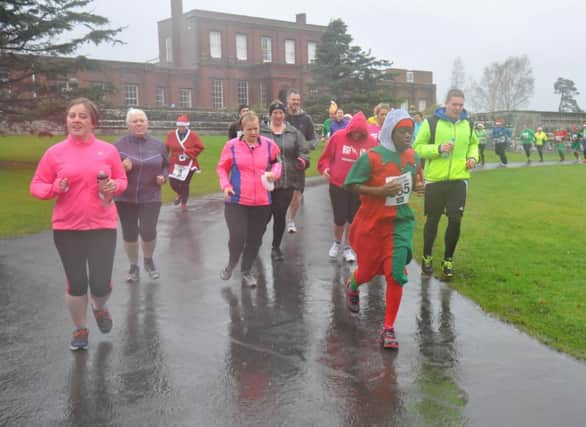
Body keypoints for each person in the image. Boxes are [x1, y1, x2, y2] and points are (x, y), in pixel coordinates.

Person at [30, 98, 128, 350]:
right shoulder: (54, 153)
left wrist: (113, 186)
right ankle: (80, 329)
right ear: (67, 120)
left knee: (99, 283)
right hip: (67, 227)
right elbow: (37, 185)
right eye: (72, 115)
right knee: (76, 284)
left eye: (82, 116)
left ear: (93, 122)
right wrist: (54, 188)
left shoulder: (108, 150)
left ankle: (99, 306)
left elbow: (121, 179)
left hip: (102, 224)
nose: (76, 120)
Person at [344, 108, 424, 349]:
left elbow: (416, 180)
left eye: (410, 132)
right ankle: (353, 284)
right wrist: (378, 192)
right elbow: (351, 185)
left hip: (400, 222)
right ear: (390, 131)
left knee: (396, 274)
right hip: (373, 223)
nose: (408, 136)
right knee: (367, 272)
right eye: (403, 132)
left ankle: (388, 328)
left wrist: (420, 187)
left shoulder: (413, 156)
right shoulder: (372, 158)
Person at [413, 88, 478, 278]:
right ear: (446, 104)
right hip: (435, 180)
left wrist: (473, 158)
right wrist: (438, 148)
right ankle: (427, 256)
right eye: (454, 104)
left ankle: (448, 259)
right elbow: (417, 148)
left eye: (461, 105)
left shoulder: (468, 124)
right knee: (432, 220)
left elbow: (473, 144)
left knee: (455, 220)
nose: (458, 108)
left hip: (459, 179)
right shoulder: (431, 123)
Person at [217, 111, 282, 287]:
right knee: (237, 236)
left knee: (255, 239)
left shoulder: (269, 145)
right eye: (249, 129)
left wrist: (274, 174)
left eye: (256, 129)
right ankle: (232, 263)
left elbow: (277, 162)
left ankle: (246, 270)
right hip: (236, 200)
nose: (253, 133)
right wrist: (226, 186)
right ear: (242, 129)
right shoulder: (231, 146)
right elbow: (222, 168)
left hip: (261, 202)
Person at [115, 108, 169, 283]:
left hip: (151, 196)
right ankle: (133, 266)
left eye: (142, 121)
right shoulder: (119, 145)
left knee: (148, 231)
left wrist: (164, 177)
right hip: (125, 197)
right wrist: (121, 168)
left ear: (147, 123)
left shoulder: (158, 145)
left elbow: (166, 165)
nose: (139, 124)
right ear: (128, 125)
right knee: (129, 233)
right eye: (134, 121)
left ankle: (148, 260)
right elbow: (109, 171)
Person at [317, 112, 378, 262]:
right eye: (354, 133)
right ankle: (337, 242)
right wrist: (325, 168)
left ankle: (348, 246)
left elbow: (375, 164)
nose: (356, 136)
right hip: (338, 184)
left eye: (360, 133)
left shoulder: (371, 142)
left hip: (358, 187)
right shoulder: (338, 137)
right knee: (339, 218)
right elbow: (325, 157)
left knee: (353, 219)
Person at [260, 101, 310, 261]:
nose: (278, 116)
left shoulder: (293, 132)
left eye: (281, 113)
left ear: (284, 114)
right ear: (270, 115)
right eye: (275, 113)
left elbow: (304, 150)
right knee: (264, 216)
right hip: (266, 181)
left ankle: (275, 247)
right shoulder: (262, 132)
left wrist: (302, 161)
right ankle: (255, 242)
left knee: (280, 214)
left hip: (287, 180)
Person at [285, 89, 317, 233]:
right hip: (282, 160)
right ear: (288, 100)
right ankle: (281, 217)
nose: (296, 102)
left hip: (299, 161)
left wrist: (306, 147)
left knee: (297, 192)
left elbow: (314, 140)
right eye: (293, 100)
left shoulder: (306, 119)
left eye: (298, 100)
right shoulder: (281, 115)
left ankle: (291, 220)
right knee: (282, 192)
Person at [165, 114, 205, 209]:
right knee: (172, 182)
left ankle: (184, 204)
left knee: (185, 183)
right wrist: (165, 158)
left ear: (186, 126)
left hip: (189, 162)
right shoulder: (171, 134)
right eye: (179, 126)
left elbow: (200, 147)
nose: (181, 128)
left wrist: (188, 152)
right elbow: (166, 148)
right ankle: (180, 194)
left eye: (183, 126)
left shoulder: (193, 135)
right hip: (175, 162)